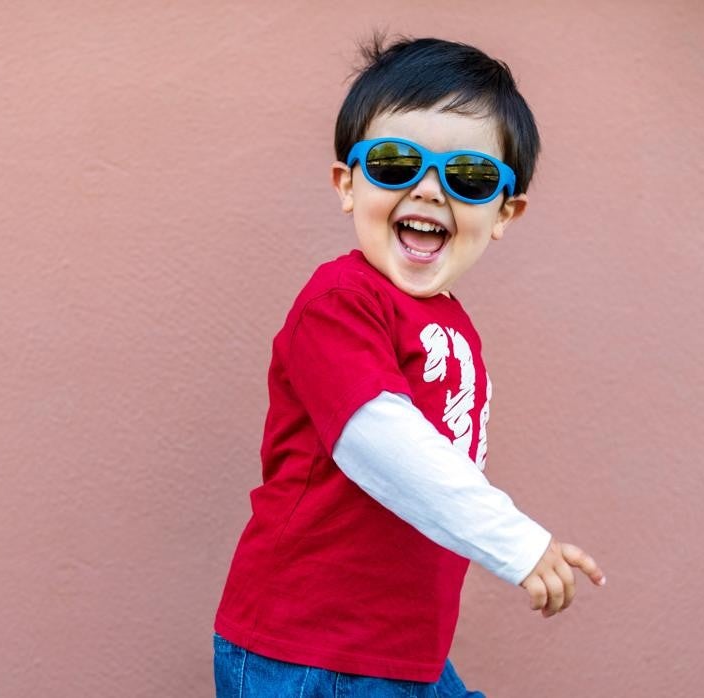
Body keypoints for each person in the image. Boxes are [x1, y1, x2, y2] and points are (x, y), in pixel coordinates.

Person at [213, 36, 606, 697]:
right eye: (395, 164)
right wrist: (514, 542)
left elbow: (446, 474)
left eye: (470, 177)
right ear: (347, 184)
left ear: (505, 212)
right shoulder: (340, 302)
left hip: (398, 655)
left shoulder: (450, 324)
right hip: (314, 655)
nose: (428, 189)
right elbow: (382, 439)